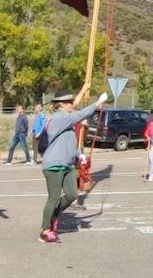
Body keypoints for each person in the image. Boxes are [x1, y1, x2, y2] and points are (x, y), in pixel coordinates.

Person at [39, 89, 107, 243]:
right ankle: (45, 230)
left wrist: (78, 155)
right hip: (54, 164)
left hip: (68, 164)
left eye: (71, 101)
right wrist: (98, 102)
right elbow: (80, 115)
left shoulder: (67, 122)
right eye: (69, 102)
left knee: (72, 194)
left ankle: (54, 216)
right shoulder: (60, 118)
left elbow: (68, 141)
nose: (72, 104)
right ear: (61, 105)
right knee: (54, 197)